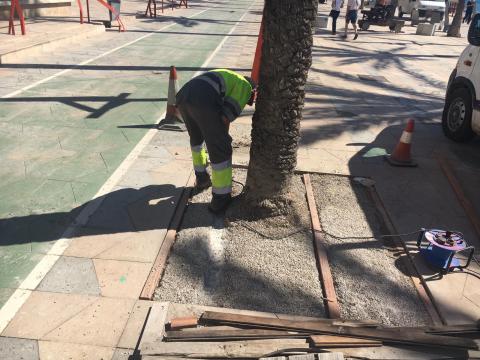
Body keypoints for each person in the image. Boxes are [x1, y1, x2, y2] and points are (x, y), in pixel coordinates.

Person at [176, 69, 257, 214]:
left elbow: (222, 116)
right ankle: (221, 198)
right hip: (202, 98)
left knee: (197, 140)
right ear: (254, 91)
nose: (250, 102)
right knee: (221, 149)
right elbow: (225, 118)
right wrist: (221, 139)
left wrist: (218, 133)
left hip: (184, 96)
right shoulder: (245, 87)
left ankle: (202, 179)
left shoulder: (231, 78)